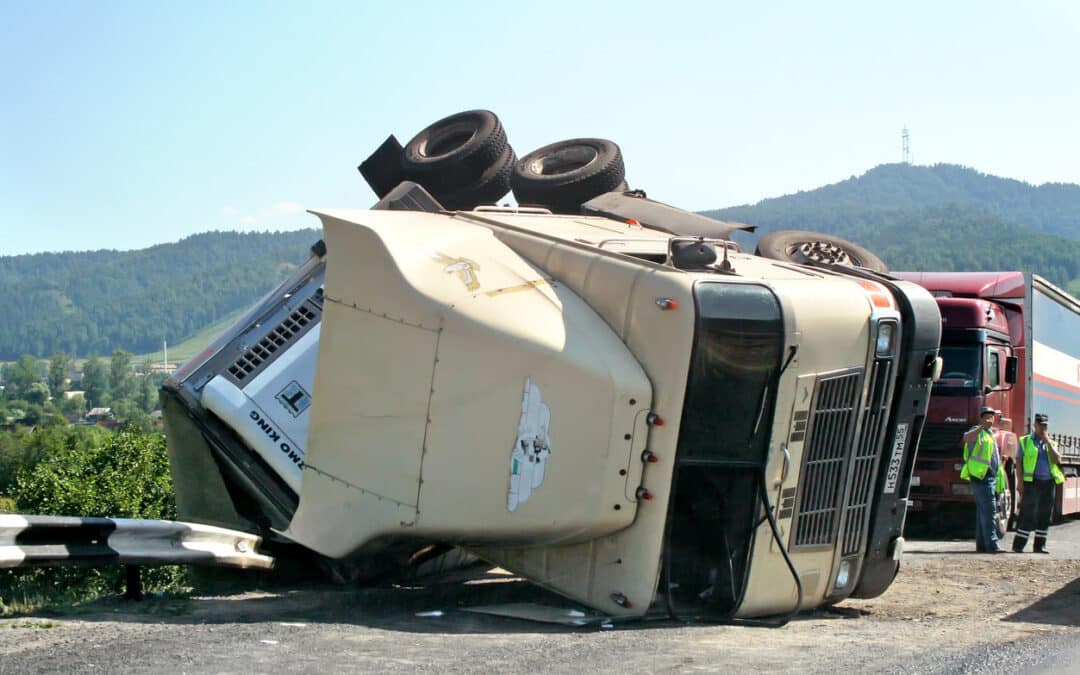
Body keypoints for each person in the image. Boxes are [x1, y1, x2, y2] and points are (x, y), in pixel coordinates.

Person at [1011, 414, 1065, 553]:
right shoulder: (1025, 441)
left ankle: (1039, 546)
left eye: (1045, 425)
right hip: (1032, 483)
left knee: (1045, 514)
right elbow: (1018, 461)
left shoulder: (1052, 443)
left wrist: (1047, 442)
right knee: (1028, 513)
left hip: (1048, 482)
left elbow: (1057, 460)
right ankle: (1018, 545)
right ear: (1035, 425)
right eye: (1040, 425)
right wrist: (1020, 482)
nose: (1043, 428)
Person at [961, 406, 1004, 553]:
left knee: (983, 512)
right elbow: (966, 438)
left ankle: (981, 545)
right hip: (980, 476)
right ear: (980, 418)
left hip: (989, 476)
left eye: (991, 417)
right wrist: (981, 427)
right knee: (990, 510)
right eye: (986, 417)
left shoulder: (990, 434)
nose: (989, 420)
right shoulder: (978, 431)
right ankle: (992, 544)